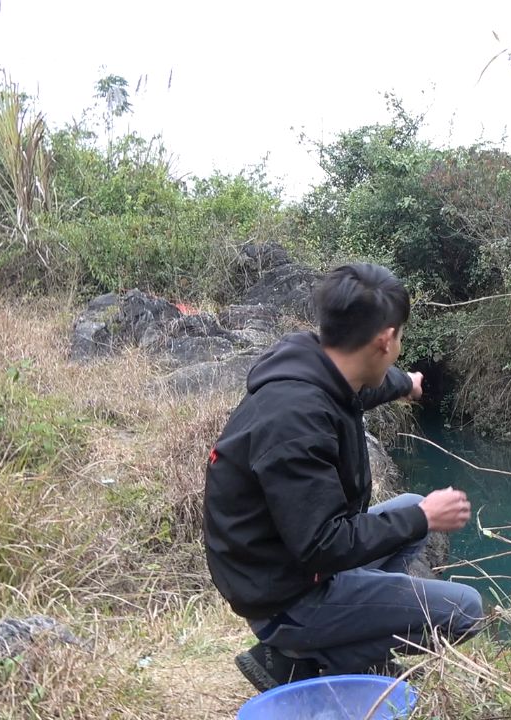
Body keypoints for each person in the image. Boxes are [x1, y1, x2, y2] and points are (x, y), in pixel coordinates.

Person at [203, 262, 485, 692]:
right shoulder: (295, 420)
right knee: (465, 609)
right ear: (385, 339)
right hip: (284, 596)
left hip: (284, 567)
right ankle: (314, 657)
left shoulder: (315, 366)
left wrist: (405, 382)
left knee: (406, 506)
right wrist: (426, 518)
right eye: (400, 338)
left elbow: (367, 384)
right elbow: (323, 545)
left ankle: (328, 643)